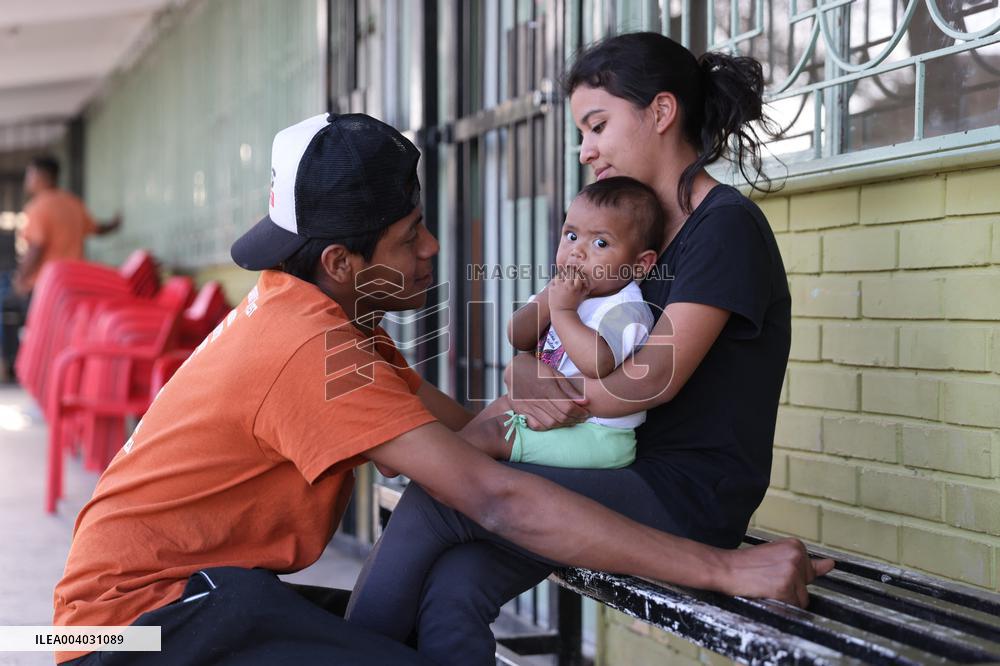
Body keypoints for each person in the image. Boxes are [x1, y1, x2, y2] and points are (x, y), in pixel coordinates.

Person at [54, 112, 827, 666]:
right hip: (133, 632)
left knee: (427, 618)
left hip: (194, 603)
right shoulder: (307, 346)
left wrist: (530, 381)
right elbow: (491, 494)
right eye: (407, 235)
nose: (430, 249)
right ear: (339, 262)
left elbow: (473, 434)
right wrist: (723, 567)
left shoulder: (329, 321)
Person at [346, 31, 797, 665]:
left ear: (662, 112)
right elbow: (551, 334)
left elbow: (645, 385)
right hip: (607, 469)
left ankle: (338, 652)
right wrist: (525, 366)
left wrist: (541, 390)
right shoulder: (619, 234)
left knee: (437, 496)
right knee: (455, 585)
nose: (585, 151)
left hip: (679, 495)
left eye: (597, 126)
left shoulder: (723, 228)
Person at [461, 176, 661, 469]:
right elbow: (518, 336)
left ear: (639, 264)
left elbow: (597, 363)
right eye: (570, 236)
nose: (577, 251)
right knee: (487, 419)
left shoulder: (627, 306)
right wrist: (548, 301)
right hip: (555, 417)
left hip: (597, 435)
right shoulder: (560, 293)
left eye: (600, 242)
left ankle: (436, 467)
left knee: (493, 434)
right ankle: (438, 462)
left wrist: (564, 311)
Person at [14, 155, 121, 296]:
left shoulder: (37, 207)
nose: (27, 180)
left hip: (46, 286)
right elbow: (98, 229)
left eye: (30, 174)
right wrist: (115, 224)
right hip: (74, 283)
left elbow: (36, 247)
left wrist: (21, 277)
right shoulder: (74, 203)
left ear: (43, 176)